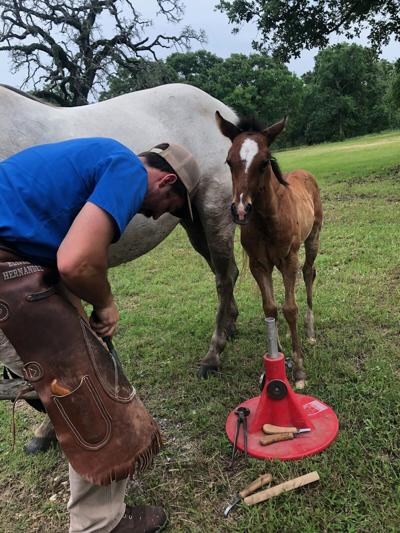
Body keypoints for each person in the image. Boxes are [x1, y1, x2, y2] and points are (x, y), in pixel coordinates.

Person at [0, 137, 200, 533]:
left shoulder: (88, 159)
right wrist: (105, 302)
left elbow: (52, 254)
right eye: (171, 209)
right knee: (91, 398)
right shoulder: (125, 168)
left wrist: (80, 322)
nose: (160, 218)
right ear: (165, 181)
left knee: (76, 378)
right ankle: (101, 525)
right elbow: (75, 262)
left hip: (16, 263)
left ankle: (29, 387)